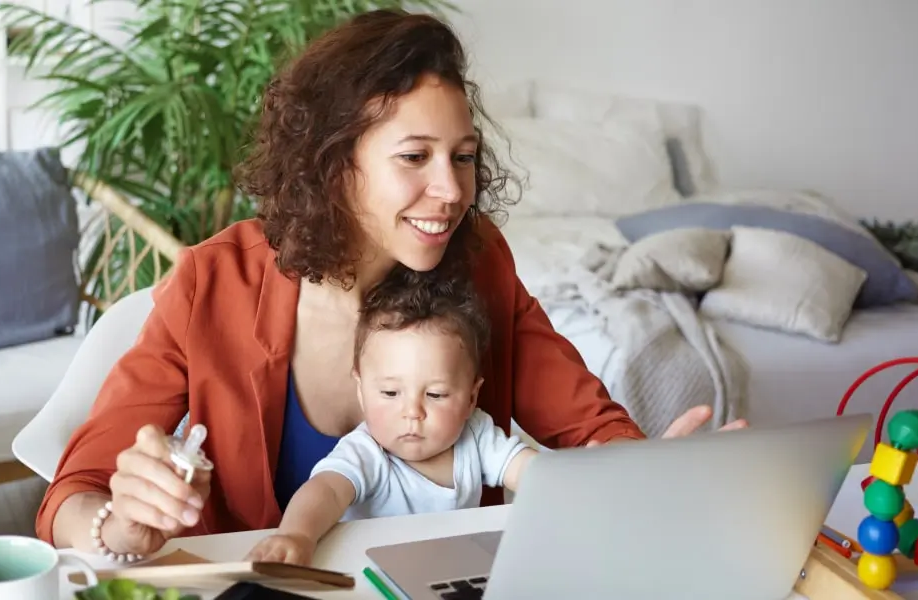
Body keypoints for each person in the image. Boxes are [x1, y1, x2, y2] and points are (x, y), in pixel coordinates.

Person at [36, 8, 748, 561]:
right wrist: (119, 523)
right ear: (333, 161)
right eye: (415, 156)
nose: (450, 190)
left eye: (463, 157)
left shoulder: (482, 264)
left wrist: (646, 470)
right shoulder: (213, 282)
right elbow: (71, 498)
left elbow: (588, 428)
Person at [246, 270, 537, 565]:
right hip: (369, 576)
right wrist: (297, 535)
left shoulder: (476, 435)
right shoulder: (368, 452)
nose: (412, 412)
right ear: (361, 390)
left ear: (471, 397)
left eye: (435, 395)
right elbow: (327, 491)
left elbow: (532, 472)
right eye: (389, 393)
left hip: (446, 572)